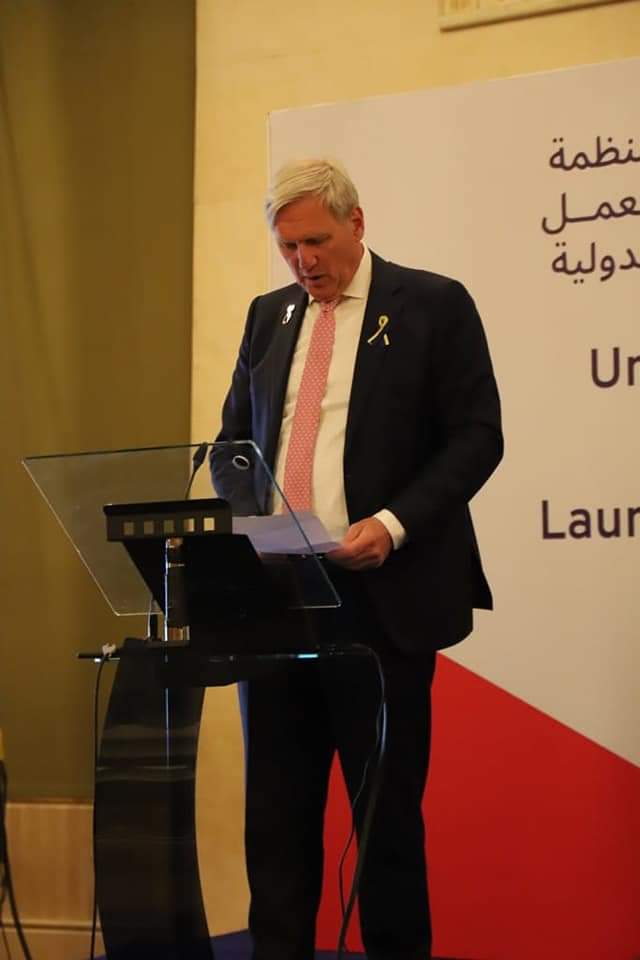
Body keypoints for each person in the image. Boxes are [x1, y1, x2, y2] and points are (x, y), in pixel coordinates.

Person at [215, 158, 503, 960]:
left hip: (383, 603)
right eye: (288, 247)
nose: (303, 261)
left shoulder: (432, 305)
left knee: (384, 825)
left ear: (357, 223)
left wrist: (393, 523)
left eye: (316, 241)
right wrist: (248, 518)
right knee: (275, 820)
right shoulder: (268, 316)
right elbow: (233, 445)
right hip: (277, 602)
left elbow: (478, 436)